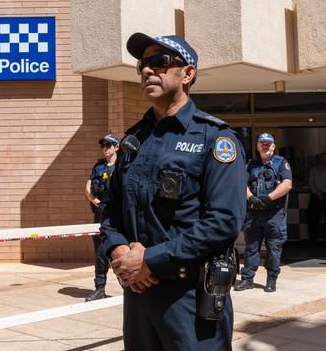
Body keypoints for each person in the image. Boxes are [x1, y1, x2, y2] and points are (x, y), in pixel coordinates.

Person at [100, 32, 246, 350]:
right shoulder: (133, 140)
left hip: (190, 299)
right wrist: (120, 251)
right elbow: (110, 208)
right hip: (139, 295)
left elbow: (224, 221)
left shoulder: (216, 139)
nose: (148, 70)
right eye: (142, 65)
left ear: (188, 73)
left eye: (160, 62)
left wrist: (151, 259)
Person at [235, 133, 292, 293]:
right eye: (262, 143)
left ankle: (271, 280)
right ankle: (247, 280)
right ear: (257, 146)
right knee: (251, 248)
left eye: (268, 143)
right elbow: (242, 183)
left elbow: (287, 184)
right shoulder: (251, 164)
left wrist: (268, 198)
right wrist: (251, 197)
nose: (265, 145)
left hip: (274, 214)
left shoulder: (281, 163)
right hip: (254, 214)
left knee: (273, 249)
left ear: (273, 146)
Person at [84, 133, 120, 302]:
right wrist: (97, 202)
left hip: (118, 216)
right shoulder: (98, 167)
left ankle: (129, 288)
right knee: (100, 252)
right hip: (101, 213)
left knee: (120, 251)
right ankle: (100, 288)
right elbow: (88, 187)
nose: (105, 148)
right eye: (103, 145)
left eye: (109, 145)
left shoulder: (123, 166)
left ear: (117, 147)